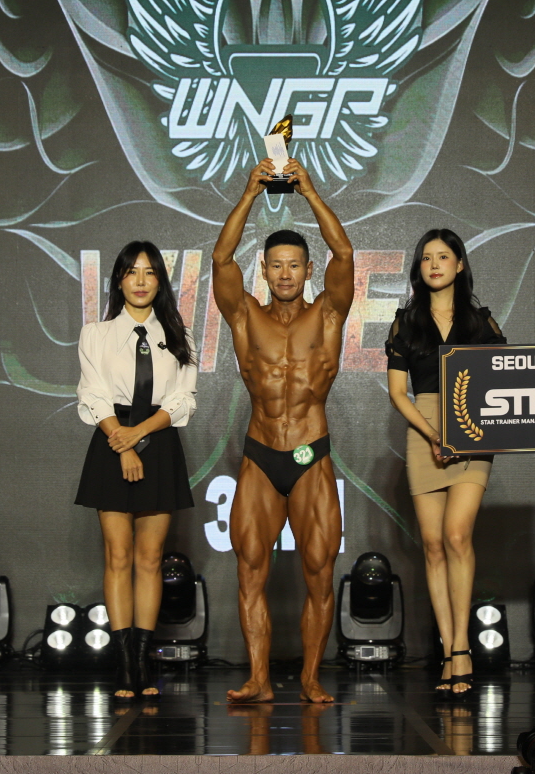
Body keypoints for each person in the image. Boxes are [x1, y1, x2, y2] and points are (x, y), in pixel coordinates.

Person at [212, 159, 354, 705]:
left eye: (295, 265)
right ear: (265, 271)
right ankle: (259, 679)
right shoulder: (244, 317)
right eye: (276, 266)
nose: (286, 274)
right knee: (250, 572)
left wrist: (310, 192)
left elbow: (345, 255)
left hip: (311, 455)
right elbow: (220, 259)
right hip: (260, 456)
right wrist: (251, 192)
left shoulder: (329, 315)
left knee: (320, 573)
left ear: (308, 269)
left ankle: (312, 678)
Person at [385, 229, 505, 701]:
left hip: (473, 431)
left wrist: (462, 433)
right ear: (419, 269)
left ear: (460, 264)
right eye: (426, 258)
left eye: (443, 256)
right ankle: (449, 649)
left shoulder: (481, 322)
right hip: (424, 432)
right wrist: (435, 436)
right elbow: (399, 393)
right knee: (433, 546)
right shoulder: (405, 322)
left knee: (457, 535)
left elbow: (506, 380)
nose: (434, 264)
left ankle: (462, 649)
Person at [75, 241, 197, 699]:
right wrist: (121, 442)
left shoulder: (179, 336)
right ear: (119, 280)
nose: (141, 281)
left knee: (150, 559)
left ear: (160, 281)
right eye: (132, 272)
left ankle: (143, 662)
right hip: (111, 442)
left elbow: (182, 400)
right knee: (118, 556)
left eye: (149, 272)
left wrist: (139, 435)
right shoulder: (96, 334)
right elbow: (93, 394)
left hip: (159, 442)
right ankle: (124, 664)